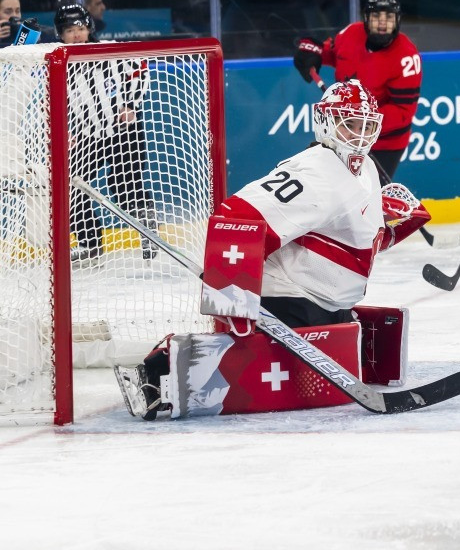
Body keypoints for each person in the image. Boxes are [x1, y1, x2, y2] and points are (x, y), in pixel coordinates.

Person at [120, 80, 430, 419]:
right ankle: (158, 372)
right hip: (289, 298)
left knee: (351, 342)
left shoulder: (364, 167)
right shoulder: (316, 171)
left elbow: (345, 245)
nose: (360, 135)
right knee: (263, 371)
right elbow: (236, 216)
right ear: (325, 122)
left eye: (367, 126)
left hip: (326, 303)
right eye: (350, 124)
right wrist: (232, 296)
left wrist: (391, 229)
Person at [57, 3, 157, 262]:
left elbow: (140, 66)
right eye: (69, 30)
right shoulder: (59, 63)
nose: (76, 34)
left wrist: (131, 104)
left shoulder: (110, 50)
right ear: (61, 35)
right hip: (88, 136)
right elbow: (56, 101)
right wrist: (65, 130)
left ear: (89, 27)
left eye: (80, 28)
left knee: (124, 187)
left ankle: (148, 232)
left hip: (123, 132)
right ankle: (90, 244)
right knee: (71, 188)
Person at [293, 0, 421, 182]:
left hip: (383, 143)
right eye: (376, 16)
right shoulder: (351, 33)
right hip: (342, 133)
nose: (383, 23)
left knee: (369, 193)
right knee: (333, 188)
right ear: (366, 18)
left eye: (389, 17)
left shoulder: (407, 57)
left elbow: (403, 112)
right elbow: (330, 53)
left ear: (398, 20)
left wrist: (361, 122)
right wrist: (312, 52)